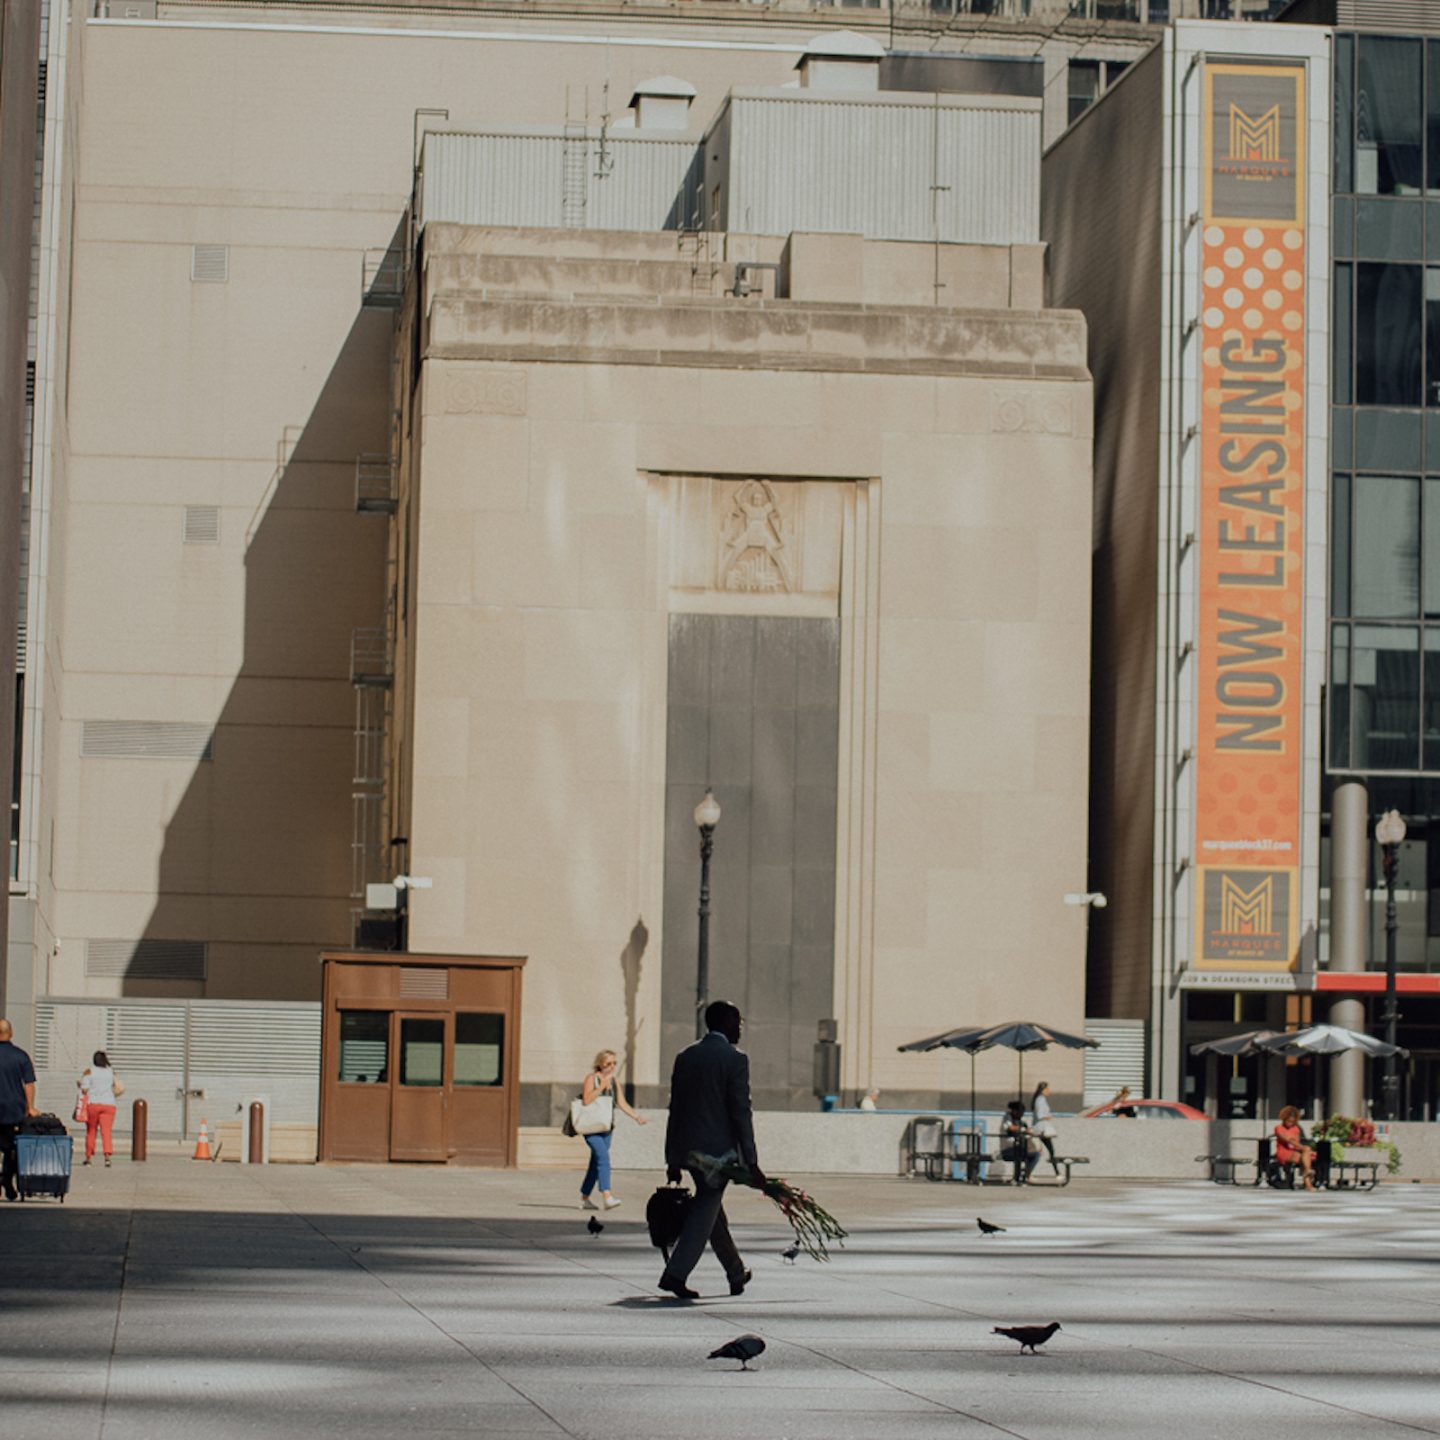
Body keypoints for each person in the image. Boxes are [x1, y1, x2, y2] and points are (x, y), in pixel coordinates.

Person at [659, 999, 765, 1300]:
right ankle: (675, 1274)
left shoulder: (686, 1056)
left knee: (711, 1211)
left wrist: (672, 1157)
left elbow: (675, 1109)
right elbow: (741, 1112)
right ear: (725, 1023)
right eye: (737, 1022)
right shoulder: (734, 1059)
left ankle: (735, 1272)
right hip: (717, 1155)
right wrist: (752, 1161)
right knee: (705, 1208)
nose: (740, 1028)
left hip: (688, 1149)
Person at [577, 1049, 647, 1210]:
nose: (612, 1066)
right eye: (608, 1063)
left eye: (614, 1063)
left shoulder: (614, 1081)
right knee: (603, 1158)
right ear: (600, 1064)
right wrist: (601, 1086)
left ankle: (584, 1197)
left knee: (596, 1163)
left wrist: (636, 1117)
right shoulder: (591, 1078)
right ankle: (607, 1196)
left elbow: (621, 1103)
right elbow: (586, 1100)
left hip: (606, 1127)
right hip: (591, 1128)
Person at [0, 1018, 39, 1202]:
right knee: (12, 1150)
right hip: (13, 1110)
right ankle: (7, 1180)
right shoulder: (21, 1056)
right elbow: (29, 1084)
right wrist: (30, 1107)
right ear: (11, 1033)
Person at [79, 1050, 123, 1168]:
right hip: (109, 1104)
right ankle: (107, 1157)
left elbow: (84, 1090)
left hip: (93, 1104)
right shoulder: (110, 1071)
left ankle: (88, 1158)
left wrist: (80, 1084)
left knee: (91, 1131)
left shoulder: (89, 1071)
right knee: (106, 1132)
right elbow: (116, 1085)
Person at [1274, 1104, 1317, 1191]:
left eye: (1292, 1122)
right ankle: (1308, 1182)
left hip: (1295, 1151)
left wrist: (1304, 1149)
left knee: (1305, 1156)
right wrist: (1304, 1148)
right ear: (1284, 1119)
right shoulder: (1279, 1128)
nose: (1290, 1124)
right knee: (1306, 1155)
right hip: (1284, 1152)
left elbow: (1296, 1142)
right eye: (1288, 1121)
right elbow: (1288, 1140)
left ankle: (1307, 1174)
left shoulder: (1296, 1129)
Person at [1001, 1099, 1040, 1183]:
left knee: (1036, 1154)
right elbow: (1010, 1127)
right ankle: (1021, 1175)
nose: (1021, 1114)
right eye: (1019, 1112)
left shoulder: (1022, 1121)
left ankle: (1026, 1174)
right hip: (1008, 1148)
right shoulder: (1007, 1118)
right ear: (1014, 1111)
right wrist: (1023, 1129)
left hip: (1021, 1146)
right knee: (1021, 1153)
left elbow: (1028, 1133)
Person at [1031, 1081, 1060, 1175]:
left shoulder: (1040, 1099)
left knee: (1044, 1151)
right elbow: (1040, 1115)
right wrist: (1047, 1116)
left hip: (1040, 1129)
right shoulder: (1040, 1099)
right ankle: (1057, 1172)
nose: (1049, 1091)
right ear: (1043, 1090)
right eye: (1047, 1089)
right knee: (1049, 1150)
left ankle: (1057, 1172)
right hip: (1041, 1129)